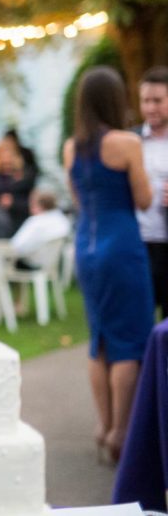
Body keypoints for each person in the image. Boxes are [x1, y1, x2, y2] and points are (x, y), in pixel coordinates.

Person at [64, 66, 155, 464]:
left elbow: (79, 199)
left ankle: (103, 427)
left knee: (99, 339)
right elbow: (145, 199)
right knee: (129, 343)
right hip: (122, 246)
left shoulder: (72, 147)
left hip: (87, 244)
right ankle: (122, 432)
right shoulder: (126, 143)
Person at [134, 65, 168, 319]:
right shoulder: (129, 140)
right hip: (138, 242)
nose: (150, 107)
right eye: (146, 100)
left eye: (157, 100)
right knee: (139, 320)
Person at [0, 131, 38, 232]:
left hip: (22, 221)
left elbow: (31, 202)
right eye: (3, 154)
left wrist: (13, 202)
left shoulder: (25, 177)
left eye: (10, 154)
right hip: (1, 224)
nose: (7, 159)